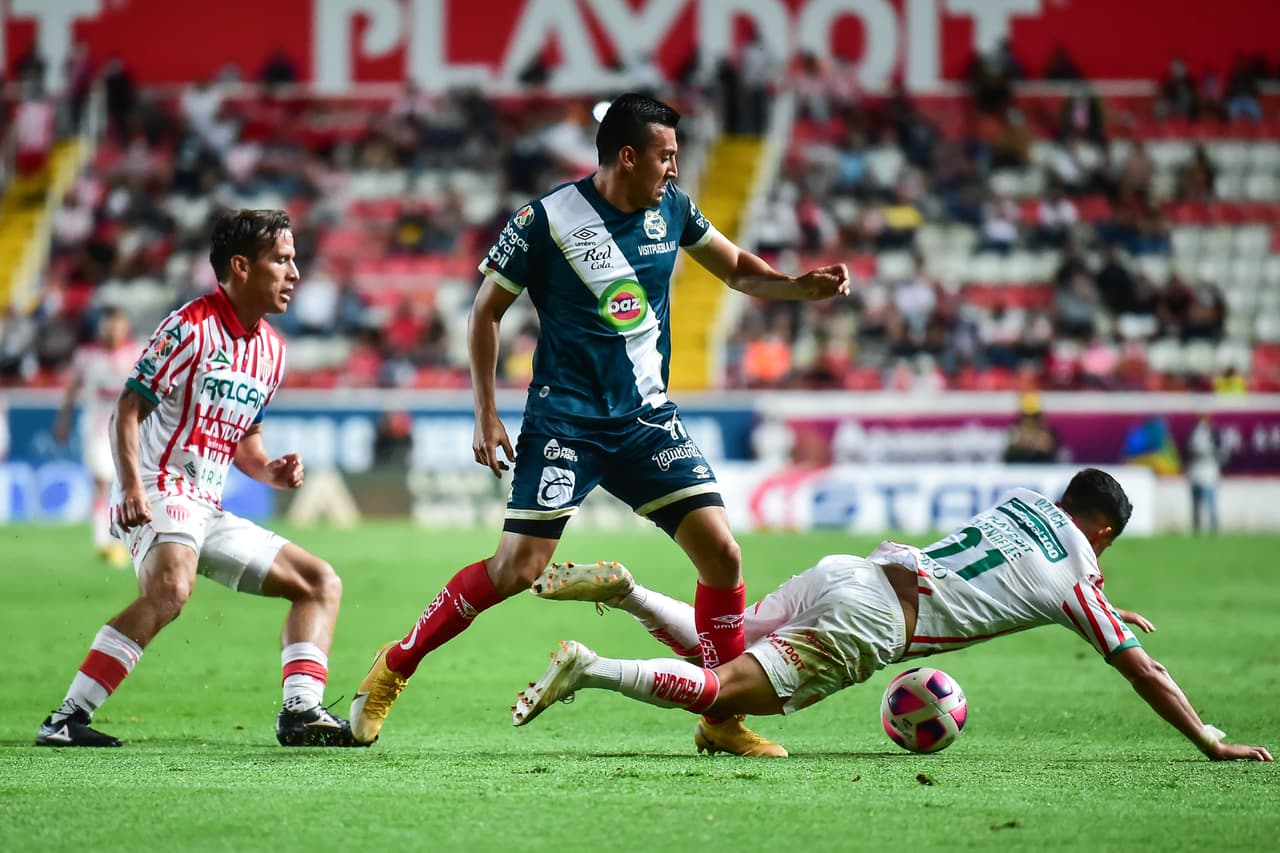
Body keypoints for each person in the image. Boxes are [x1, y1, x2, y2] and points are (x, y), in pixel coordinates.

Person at [350, 93, 850, 756]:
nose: (675, 169)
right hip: (567, 421)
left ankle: (720, 719)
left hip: (645, 420)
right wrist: (485, 410)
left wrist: (797, 286)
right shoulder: (545, 220)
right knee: (516, 568)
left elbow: (735, 269)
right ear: (627, 156)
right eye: (666, 156)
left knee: (722, 554)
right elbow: (484, 313)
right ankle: (394, 666)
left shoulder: (672, 207)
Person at [512, 469, 1272, 762]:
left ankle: (629, 592)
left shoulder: (1027, 503)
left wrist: (1103, 601)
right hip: (877, 624)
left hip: (856, 569)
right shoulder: (1079, 575)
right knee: (726, 687)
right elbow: (1145, 667)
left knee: (731, 643)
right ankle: (593, 668)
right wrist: (1207, 738)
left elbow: (1018, 569)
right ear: (1103, 532)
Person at [36, 209, 359, 748]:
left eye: (294, 259)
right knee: (171, 587)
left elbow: (246, 443)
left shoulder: (272, 351)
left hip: (206, 505)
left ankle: (301, 711)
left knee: (320, 582)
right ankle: (67, 718)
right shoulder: (189, 326)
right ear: (241, 266)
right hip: (158, 486)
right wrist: (132, 489)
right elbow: (127, 408)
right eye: (281, 259)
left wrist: (270, 470)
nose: (295, 272)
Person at [54, 307, 138, 567]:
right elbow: (72, 387)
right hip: (96, 428)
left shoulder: (136, 353)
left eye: (118, 325)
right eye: (110, 326)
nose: (114, 331)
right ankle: (102, 541)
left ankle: (128, 538)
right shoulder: (86, 356)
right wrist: (64, 419)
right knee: (102, 482)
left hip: (130, 429)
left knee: (128, 483)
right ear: (102, 328)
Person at [1186, 414, 1225, 534]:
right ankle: (1197, 529)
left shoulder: (1213, 432)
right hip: (1196, 471)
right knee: (1196, 504)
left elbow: (1220, 451)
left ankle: (1214, 529)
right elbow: (1188, 450)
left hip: (1209, 471)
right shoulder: (1193, 432)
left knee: (1210, 502)